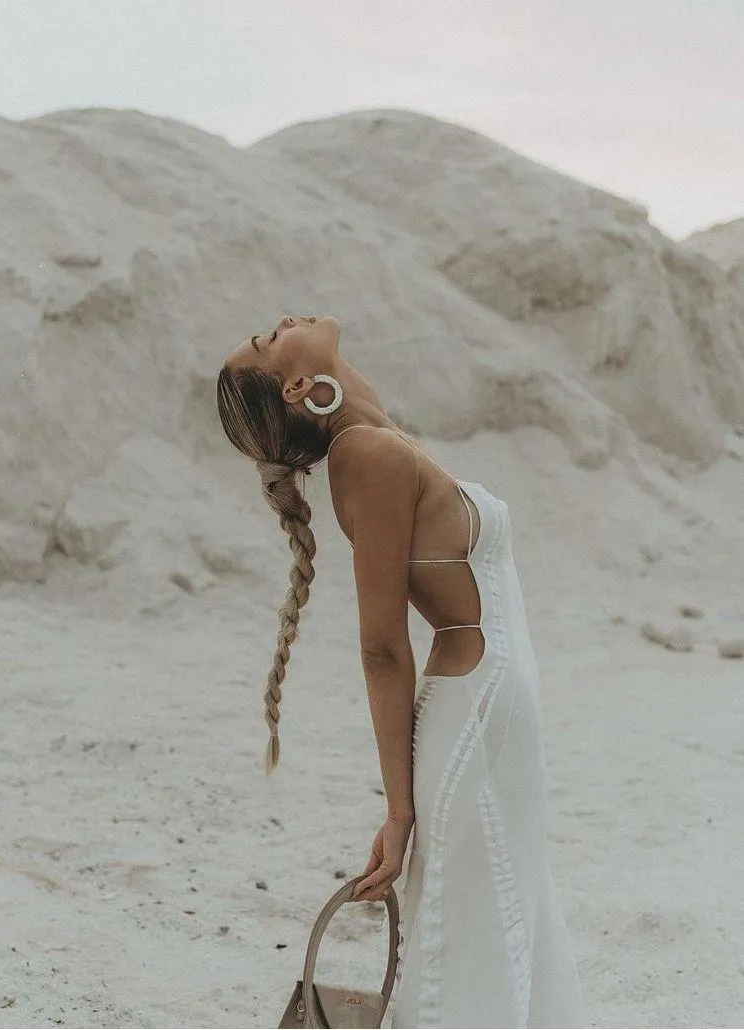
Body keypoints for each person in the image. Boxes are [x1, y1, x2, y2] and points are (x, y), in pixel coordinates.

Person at [217, 314, 586, 1027]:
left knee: (506, 909)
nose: (281, 322)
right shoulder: (365, 458)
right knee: (470, 926)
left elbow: (352, 401)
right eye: (267, 339)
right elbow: (382, 646)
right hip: (475, 711)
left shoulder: (370, 436)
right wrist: (399, 807)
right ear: (296, 385)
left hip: (498, 704)